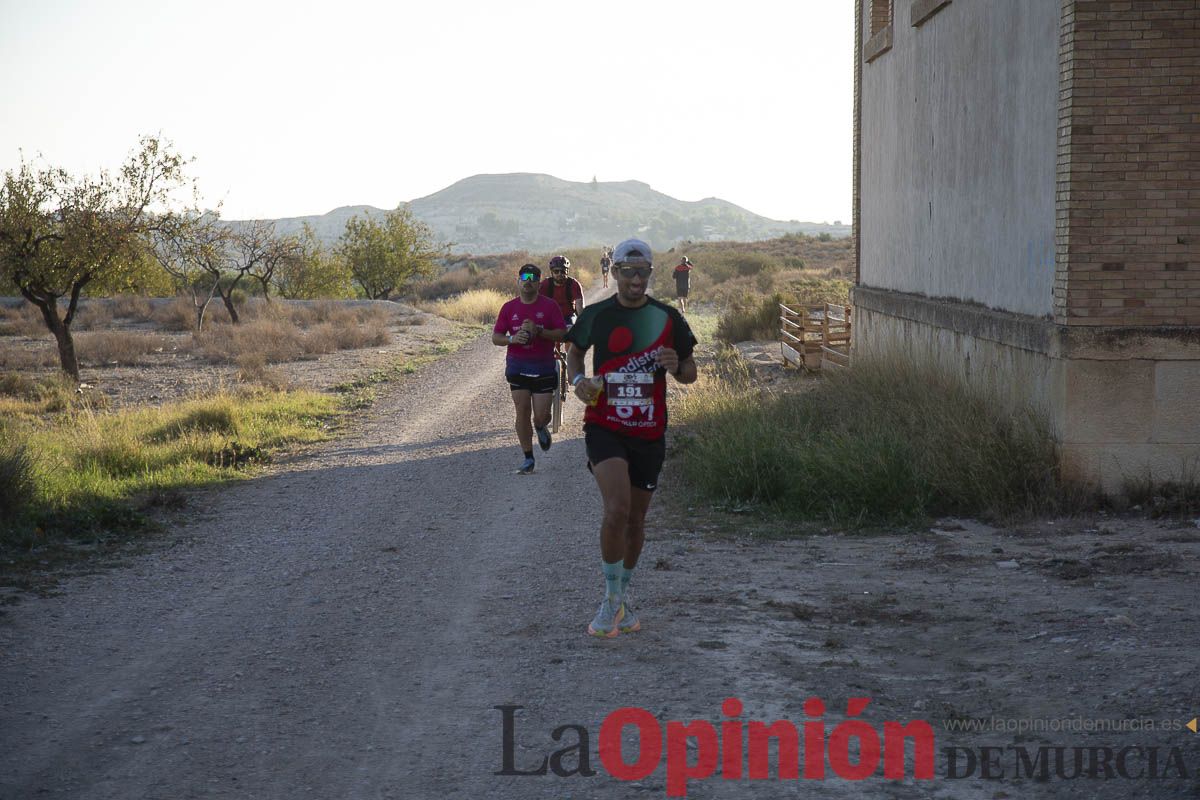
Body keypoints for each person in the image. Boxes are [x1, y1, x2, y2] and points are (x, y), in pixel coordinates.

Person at [565, 238, 698, 638]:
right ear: (616, 272)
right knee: (617, 510)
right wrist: (577, 380)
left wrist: (676, 367)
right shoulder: (597, 315)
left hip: (649, 432)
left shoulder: (668, 318)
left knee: (636, 521)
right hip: (604, 425)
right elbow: (574, 352)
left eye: (643, 272)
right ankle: (609, 600)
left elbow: (690, 372)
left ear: (650, 274)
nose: (636, 280)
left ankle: (621, 597)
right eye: (628, 272)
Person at [493, 264, 568, 474]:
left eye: (533, 278)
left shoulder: (550, 306)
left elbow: (563, 334)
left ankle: (541, 426)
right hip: (517, 365)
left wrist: (540, 331)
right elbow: (496, 337)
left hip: (543, 366)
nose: (528, 281)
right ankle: (528, 458)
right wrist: (512, 339)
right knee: (522, 410)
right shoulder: (509, 308)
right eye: (524, 277)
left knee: (541, 416)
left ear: (539, 283)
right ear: (518, 281)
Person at [539, 254, 585, 327]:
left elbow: (580, 308)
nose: (559, 274)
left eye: (563, 271)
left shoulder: (573, 284)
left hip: (568, 316)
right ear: (552, 272)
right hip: (550, 317)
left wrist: (582, 324)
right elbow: (538, 303)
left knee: (570, 330)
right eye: (556, 271)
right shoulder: (545, 284)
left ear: (567, 272)